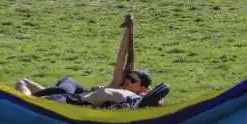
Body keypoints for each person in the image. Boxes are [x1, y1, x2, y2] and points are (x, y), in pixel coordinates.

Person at [15, 15, 154, 109]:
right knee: (54, 92)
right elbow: (123, 58)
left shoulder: (130, 98)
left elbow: (157, 100)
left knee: (23, 83)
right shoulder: (118, 84)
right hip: (72, 91)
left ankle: (27, 101)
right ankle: (27, 104)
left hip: (73, 96)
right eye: (129, 77)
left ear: (143, 88)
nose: (128, 80)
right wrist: (130, 30)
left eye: (132, 80)